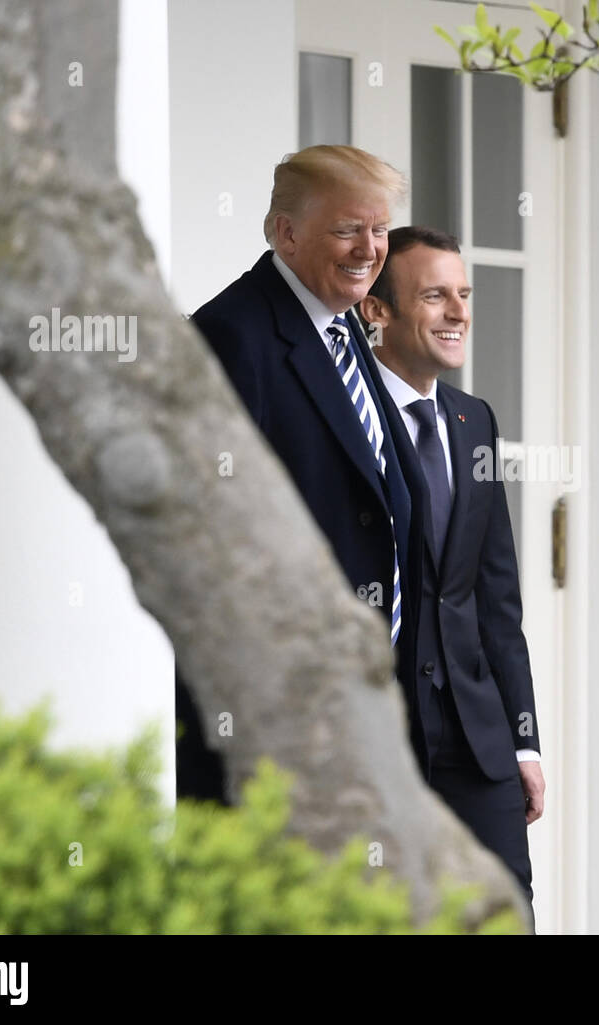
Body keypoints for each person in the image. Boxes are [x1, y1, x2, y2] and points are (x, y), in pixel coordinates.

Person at [175, 145, 431, 801]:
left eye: (379, 230)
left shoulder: (344, 333)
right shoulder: (233, 335)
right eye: (347, 228)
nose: (369, 249)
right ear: (287, 232)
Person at [359, 226, 544, 909]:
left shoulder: (475, 420)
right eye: (435, 295)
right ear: (377, 310)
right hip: (385, 740)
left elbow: (497, 596)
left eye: (463, 294)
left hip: (479, 742)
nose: (459, 311)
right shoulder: (348, 416)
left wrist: (525, 740)